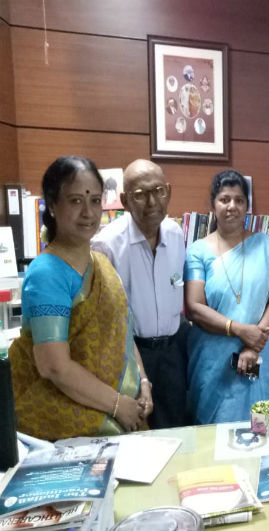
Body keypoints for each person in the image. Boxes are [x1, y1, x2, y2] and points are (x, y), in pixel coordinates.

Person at [10, 156, 151, 440]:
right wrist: (117, 404)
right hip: (64, 426)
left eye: (95, 200)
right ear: (52, 205)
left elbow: (122, 332)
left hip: (120, 413)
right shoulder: (47, 273)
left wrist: (144, 383)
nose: (88, 212)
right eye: (76, 201)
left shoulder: (101, 263)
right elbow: (53, 366)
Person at [184, 170, 269, 424]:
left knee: (263, 430)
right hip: (213, 362)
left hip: (260, 355)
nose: (232, 206)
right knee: (215, 436)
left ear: (247, 207)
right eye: (224, 199)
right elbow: (194, 306)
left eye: (239, 200)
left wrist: (254, 344)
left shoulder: (265, 246)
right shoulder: (198, 251)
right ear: (213, 205)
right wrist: (240, 330)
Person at [92, 159, 189, 429]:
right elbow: (108, 318)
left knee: (175, 430)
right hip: (130, 356)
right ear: (124, 200)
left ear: (168, 191)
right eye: (140, 195)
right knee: (135, 432)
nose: (152, 202)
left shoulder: (175, 233)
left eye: (158, 191)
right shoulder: (106, 245)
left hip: (172, 352)